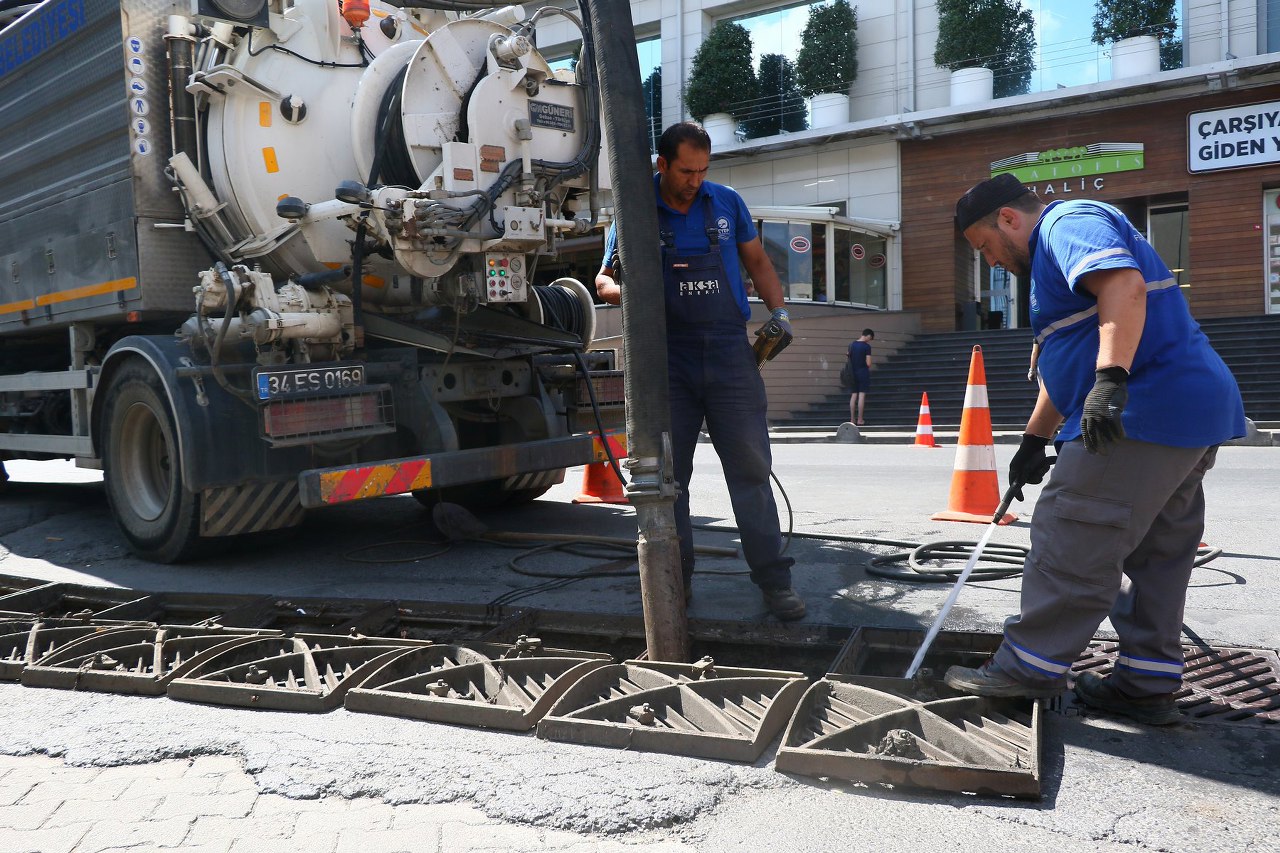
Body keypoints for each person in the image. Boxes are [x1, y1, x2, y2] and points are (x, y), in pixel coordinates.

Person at [943, 174, 1246, 725]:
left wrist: (1111, 380)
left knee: (1073, 532)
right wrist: (1035, 439)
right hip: (1187, 411)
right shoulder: (1049, 267)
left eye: (985, 247)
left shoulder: (1068, 222)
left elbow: (1123, 289)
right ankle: (1144, 682)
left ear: (1009, 219)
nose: (989, 262)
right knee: (1155, 554)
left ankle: (1026, 669)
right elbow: (1067, 363)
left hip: (1143, 409)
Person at [594, 121, 805, 621]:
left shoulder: (726, 203)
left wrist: (780, 314)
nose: (695, 180)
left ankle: (775, 583)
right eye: (686, 171)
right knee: (671, 478)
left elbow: (759, 263)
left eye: (703, 170)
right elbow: (604, 281)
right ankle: (675, 583)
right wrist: (638, 297)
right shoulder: (635, 208)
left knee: (751, 471)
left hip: (730, 353)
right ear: (662, 164)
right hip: (667, 358)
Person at [846, 329, 874, 425]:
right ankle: (860, 419)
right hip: (862, 372)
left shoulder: (851, 345)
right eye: (870, 338)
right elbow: (868, 363)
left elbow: (848, 358)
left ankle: (852, 419)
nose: (869, 340)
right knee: (861, 395)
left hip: (852, 373)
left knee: (853, 395)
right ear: (868, 335)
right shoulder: (867, 347)